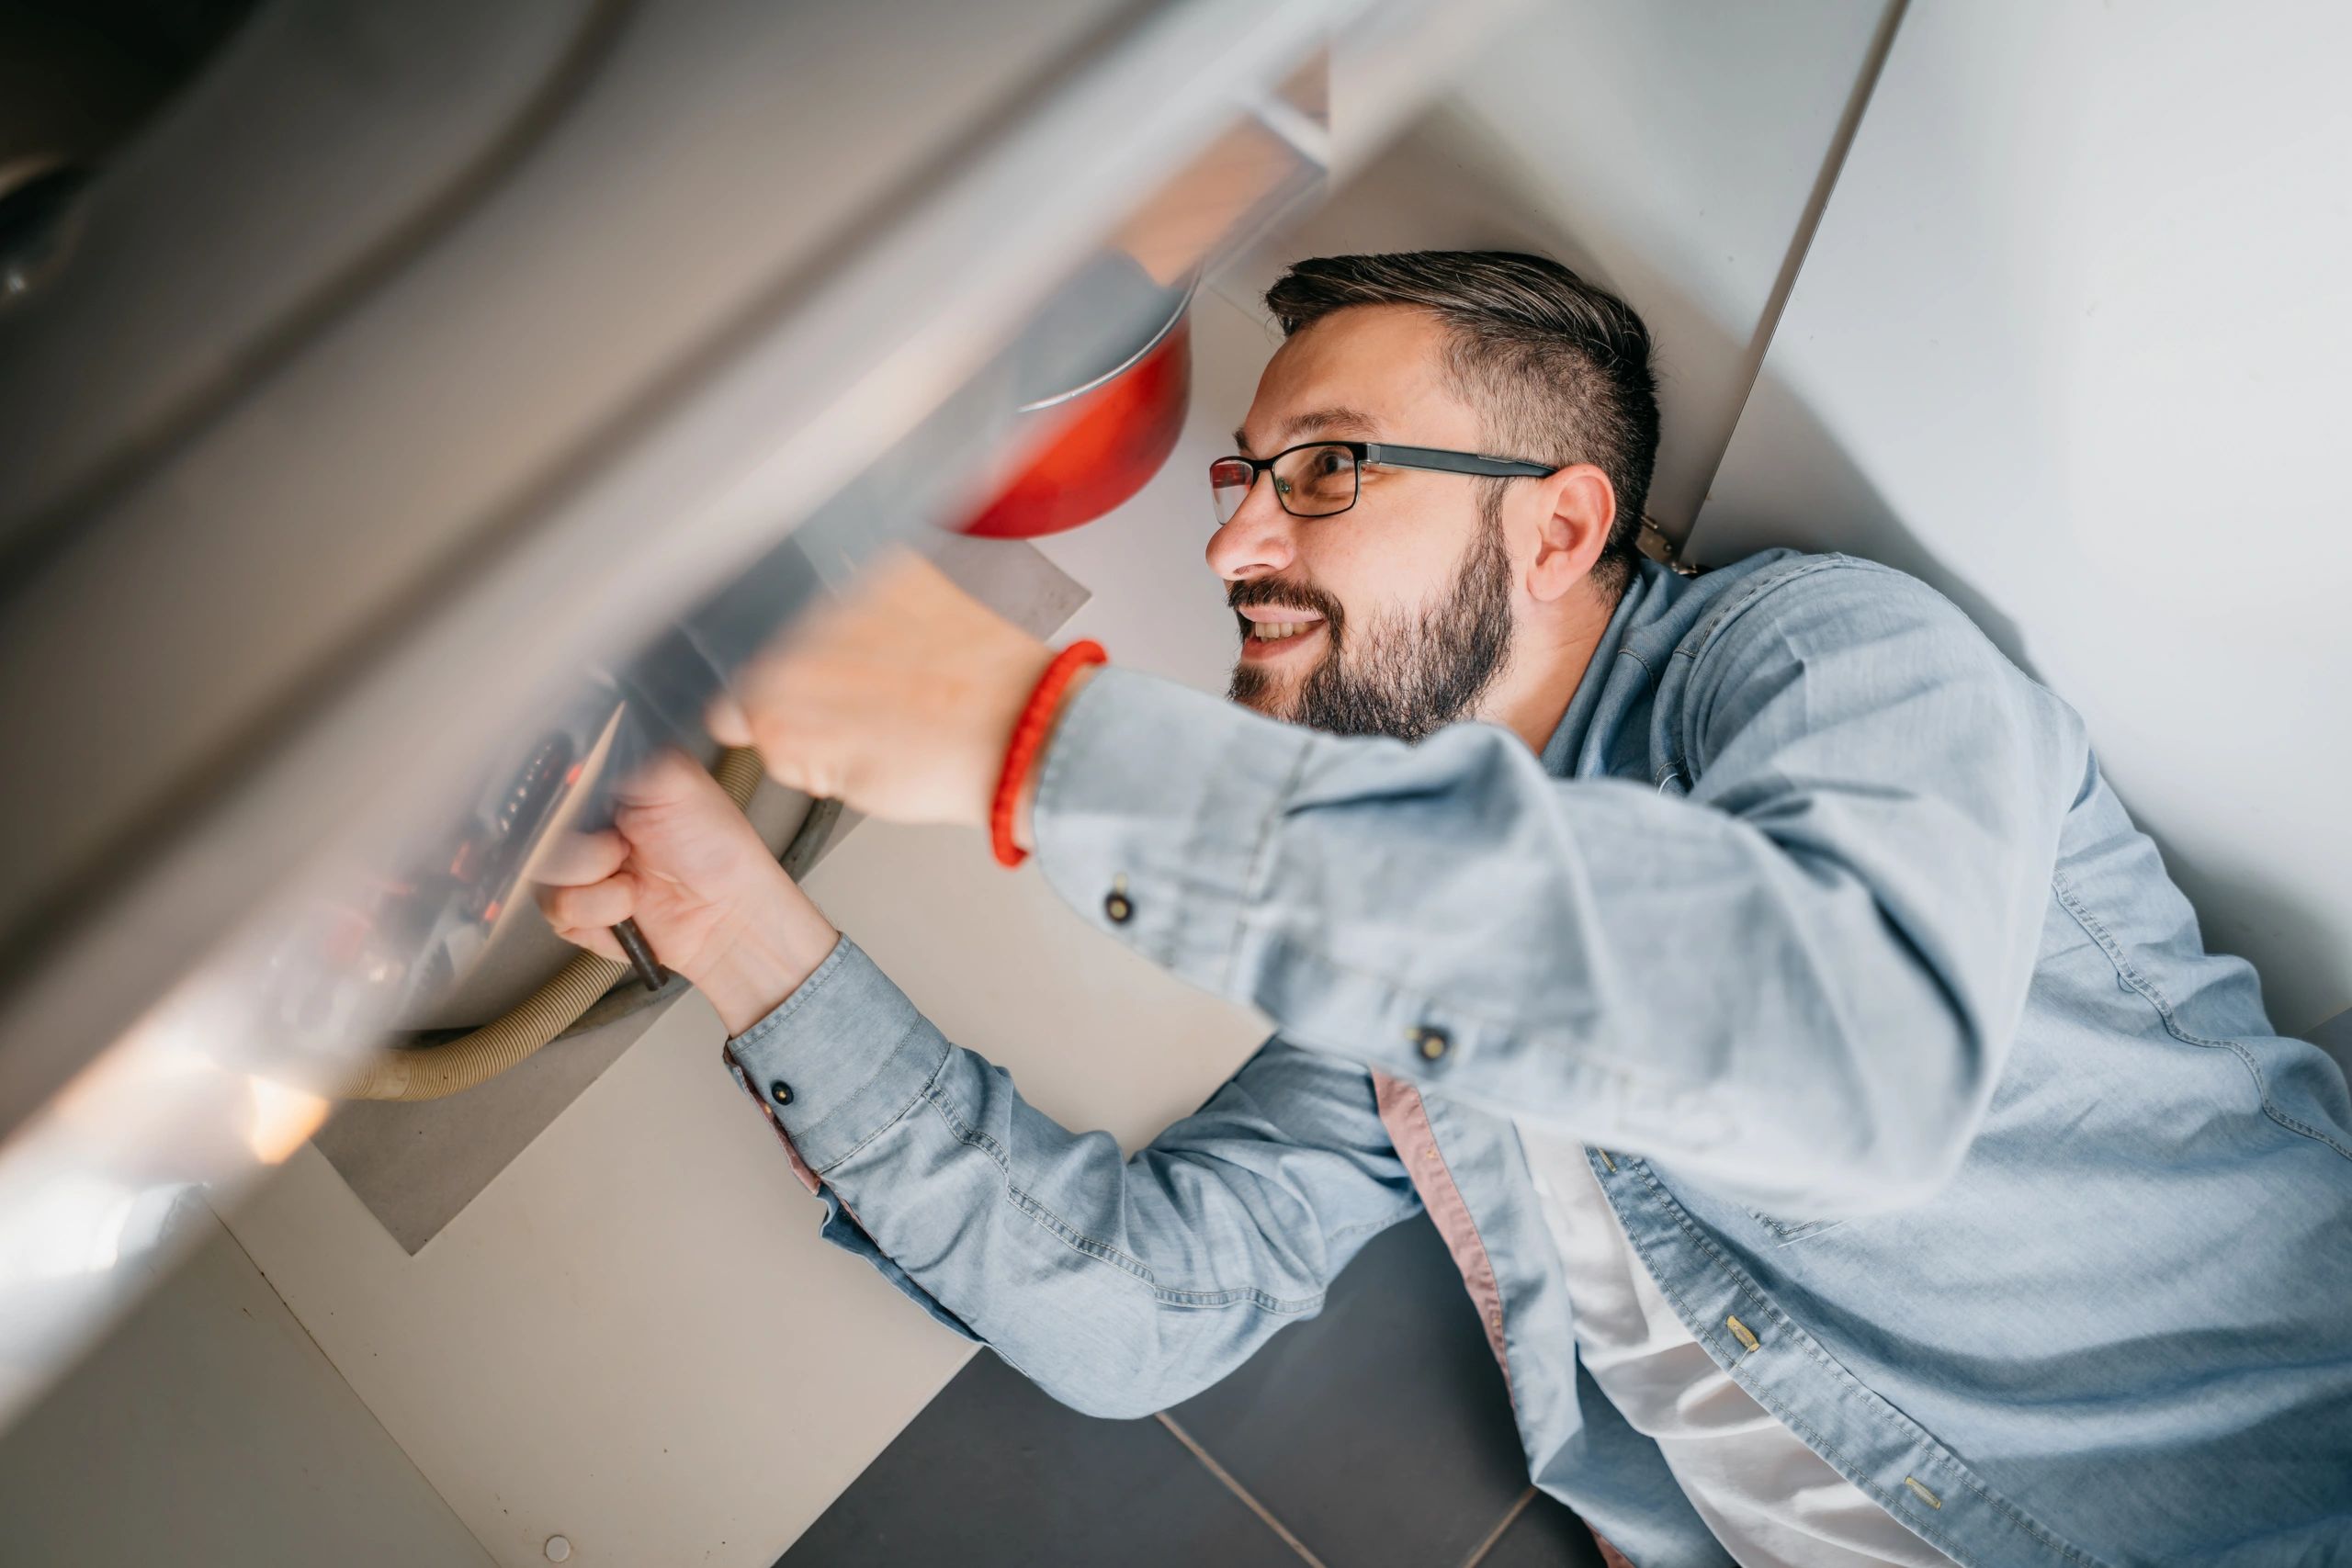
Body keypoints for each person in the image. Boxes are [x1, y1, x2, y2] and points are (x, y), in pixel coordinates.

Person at [539, 252, 2352, 1566]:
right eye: (1242, 482)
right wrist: (726, 923)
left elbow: (1846, 1066)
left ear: (1560, 530)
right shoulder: (1409, 974)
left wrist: (1031, 737)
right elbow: (1142, 1308)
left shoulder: (1826, 660)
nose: (1233, 545)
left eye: (1321, 467)